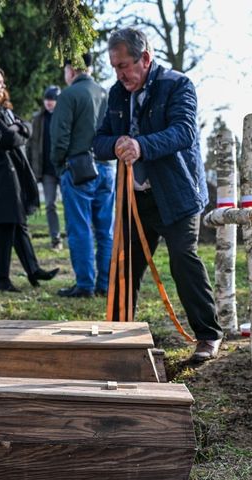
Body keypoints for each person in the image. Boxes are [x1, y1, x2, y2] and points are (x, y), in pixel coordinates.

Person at [93, 27, 222, 364]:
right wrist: (116, 144)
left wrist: (140, 145)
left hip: (176, 192)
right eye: (115, 67)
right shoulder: (117, 93)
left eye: (124, 66)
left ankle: (208, 335)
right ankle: (119, 333)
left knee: (183, 260)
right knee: (126, 265)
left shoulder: (178, 85)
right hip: (135, 197)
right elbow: (99, 140)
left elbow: (183, 131)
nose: (119, 74)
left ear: (145, 59)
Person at [0, 66, 59, 292]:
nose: (2, 86)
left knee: (19, 223)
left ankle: (33, 269)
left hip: (13, 170)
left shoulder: (3, 108)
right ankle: (1, 278)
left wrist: (18, 127)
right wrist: (17, 131)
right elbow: (7, 137)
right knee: (5, 226)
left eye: (2, 82)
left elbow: (25, 127)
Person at [51, 52, 114, 298]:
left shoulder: (68, 95)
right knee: (105, 230)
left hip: (78, 169)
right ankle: (105, 284)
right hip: (107, 167)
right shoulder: (105, 93)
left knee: (80, 229)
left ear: (71, 69)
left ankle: (85, 284)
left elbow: (60, 137)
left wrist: (58, 165)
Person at [27, 86, 64, 250]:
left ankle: (74, 236)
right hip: (47, 170)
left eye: (53, 100)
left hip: (64, 167)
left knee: (71, 204)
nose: (50, 103)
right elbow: (31, 145)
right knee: (50, 204)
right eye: (47, 99)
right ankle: (56, 238)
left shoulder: (65, 116)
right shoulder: (38, 119)